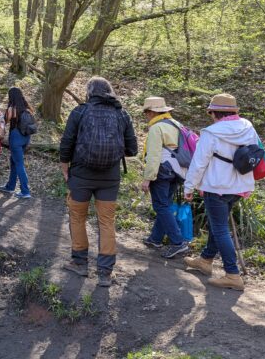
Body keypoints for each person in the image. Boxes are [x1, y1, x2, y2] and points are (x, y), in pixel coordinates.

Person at [59, 77, 138, 287]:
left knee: (77, 217)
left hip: (81, 176)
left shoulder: (80, 112)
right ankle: (105, 273)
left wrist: (65, 165)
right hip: (110, 179)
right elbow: (133, 149)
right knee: (107, 222)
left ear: (89, 92)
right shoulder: (122, 114)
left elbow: (67, 141)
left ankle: (80, 263)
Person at [183, 94, 259, 291]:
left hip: (216, 187)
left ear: (214, 112)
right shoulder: (247, 127)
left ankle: (232, 275)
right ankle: (206, 260)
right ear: (234, 111)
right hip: (239, 186)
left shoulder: (212, 132)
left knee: (219, 228)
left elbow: (199, 163)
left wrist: (189, 187)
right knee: (219, 224)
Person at [140, 97, 190, 259]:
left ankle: (178, 242)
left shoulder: (157, 128)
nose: (146, 115)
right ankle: (155, 239)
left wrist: (148, 178)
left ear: (153, 112)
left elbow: (154, 155)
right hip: (177, 172)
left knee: (161, 206)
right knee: (165, 205)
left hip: (162, 172)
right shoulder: (177, 124)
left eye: (147, 112)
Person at [0, 87, 34, 199]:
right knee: (14, 161)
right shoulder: (28, 108)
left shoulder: (12, 109)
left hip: (16, 138)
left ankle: (25, 191)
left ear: (11, 97)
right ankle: (10, 186)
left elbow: (4, 121)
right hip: (26, 138)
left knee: (19, 163)